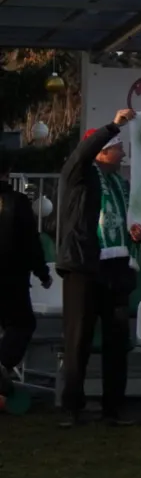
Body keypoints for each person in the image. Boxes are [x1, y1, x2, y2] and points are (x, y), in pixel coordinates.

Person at [56, 109, 141, 427]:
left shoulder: (122, 185)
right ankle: (72, 408)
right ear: (101, 152)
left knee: (116, 341)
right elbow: (81, 153)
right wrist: (113, 126)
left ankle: (113, 409)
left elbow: (130, 223)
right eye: (118, 148)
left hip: (117, 268)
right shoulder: (79, 175)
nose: (123, 153)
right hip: (84, 265)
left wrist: (139, 233)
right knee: (78, 339)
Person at [1, 151, 51, 402]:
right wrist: (43, 273)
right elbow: (31, 242)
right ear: (8, 170)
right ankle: (3, 364)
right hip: (11, 276)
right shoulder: (17, 202)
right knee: (22, 324)